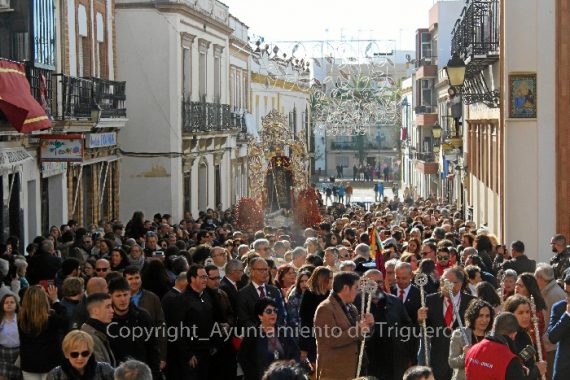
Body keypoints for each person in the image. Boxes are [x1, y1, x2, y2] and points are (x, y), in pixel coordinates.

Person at [417, 267, 475, 380]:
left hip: (461, 359)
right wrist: (420, 319)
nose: (443, 285)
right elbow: (426, 328)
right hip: (438, 359)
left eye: (448, 282)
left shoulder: (471, 302)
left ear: (459, 284)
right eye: (442, 281)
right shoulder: (431, 300)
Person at [313, 271, 374, 380]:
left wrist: (369, 325)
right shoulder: (325, 308)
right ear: (346, 288)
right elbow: (331, 339)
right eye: (356, 288)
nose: (357, 292)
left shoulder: (352, 307)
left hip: (354, 370)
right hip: (335, 373)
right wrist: (358, 329)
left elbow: (361, 336)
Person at [107, 277, 160, 379]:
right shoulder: (106, 319)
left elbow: (153, 349)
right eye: (118, 296)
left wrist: (154, 374)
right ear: (111, 296)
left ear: (130, 294)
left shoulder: (143, 316)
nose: (123, 299)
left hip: (141, 374)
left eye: (125, 295)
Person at [238, 298, 300, 380]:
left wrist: (292, 362)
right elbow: (243, 358)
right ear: (260, 316)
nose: (273, 314)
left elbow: (295, 351)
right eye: (269, 311)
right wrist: (252, 376)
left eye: (275, 311)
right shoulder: (252, 334)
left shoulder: (283, 331)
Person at [19, 285, 69, 380]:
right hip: (50, 363)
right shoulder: (51, 320)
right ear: (43, 300)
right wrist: (55, 300)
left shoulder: (21, 320)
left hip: (29, 364)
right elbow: (65, 320)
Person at [464, 312, 528, 379]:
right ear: (514, 334)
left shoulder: (471, 350)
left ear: (494, 328)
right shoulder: (510, 360)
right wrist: (534, 371)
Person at [448, 299, 494, 380]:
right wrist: (465, 355)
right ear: (473, 316)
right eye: (480, 316)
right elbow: (452, 362)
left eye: (487, 316)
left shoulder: (492, 336)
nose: (484, 320)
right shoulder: (459, 334)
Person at [503, 295, 547, 379]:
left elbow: (526, 361)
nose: (526, 316)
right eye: (520, 313)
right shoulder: (507, 338)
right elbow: (515, 373)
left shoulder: (524, 334)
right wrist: (537, 370)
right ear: (510, 314)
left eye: (527, 312)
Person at [46, 330, 114, 380]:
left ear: (90, 353)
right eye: (74, 354)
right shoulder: (55, 375)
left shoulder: (105, 371)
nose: (80, 358)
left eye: (85, 353)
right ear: (66, 354)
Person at [299, 267, 332, 366]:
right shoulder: (309, 294)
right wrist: (304, 348)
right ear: (322, 279)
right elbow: (305, 321)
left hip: (330, 339)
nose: (332, 280)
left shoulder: (331, 294)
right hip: (312, 340)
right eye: (330, 278)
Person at [81, 293, 116, 367]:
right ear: (95, 310)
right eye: (108, 307)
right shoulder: (89, 337)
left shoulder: (98, 332)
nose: (112, 310)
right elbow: (99, 371)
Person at [547, 273, 570, 380]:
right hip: (564, 370)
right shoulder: (559, 307)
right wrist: (567, 315)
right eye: (567, 293)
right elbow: (552, 337)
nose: (568, 298)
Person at [0, 294, 20, 379]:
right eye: (6, 302)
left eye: (12, 302)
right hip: (3, 353)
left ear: (16, 305)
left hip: (19, 353)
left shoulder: (21, 319)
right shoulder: (0, 320)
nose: (9, 304)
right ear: (2, 305)